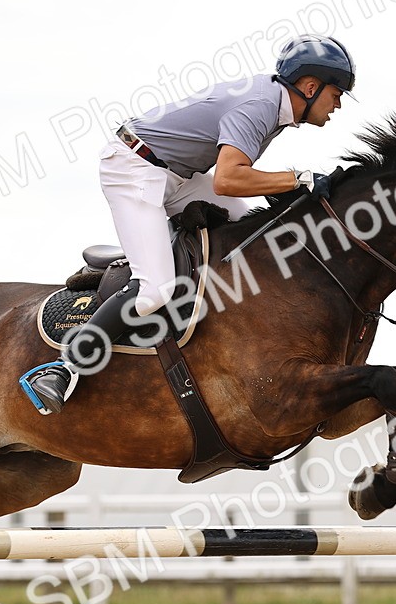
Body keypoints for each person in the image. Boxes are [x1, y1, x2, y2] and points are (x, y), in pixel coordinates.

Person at [20, 35, 357, 415]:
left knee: (249, 227)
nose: (338, 104)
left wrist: (299, 186)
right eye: (337, 93)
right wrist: (299, 179)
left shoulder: (275, 105)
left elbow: (228, 181)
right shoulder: (262, 104)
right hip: (134, 171)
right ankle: (62, 369)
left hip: (174, 174)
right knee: (155, 290)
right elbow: (228, 180)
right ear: (310, 87)